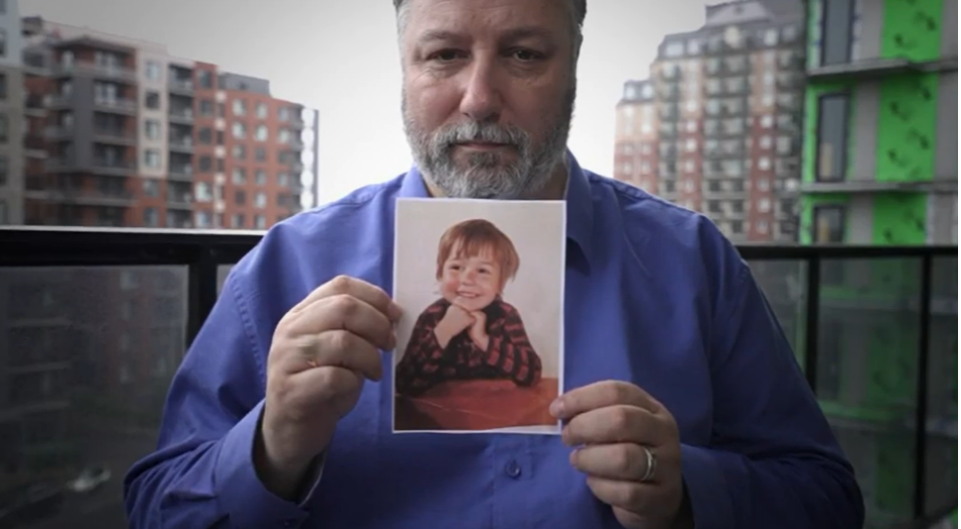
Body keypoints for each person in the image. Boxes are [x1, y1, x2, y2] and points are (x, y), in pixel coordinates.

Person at [123, 0, 865, 528]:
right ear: (404, 67)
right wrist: (271, 445)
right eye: (444, 54)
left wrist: (684, 494)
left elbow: (827, 500)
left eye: (522, 54)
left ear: (572, 63)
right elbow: (156, 507)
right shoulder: (289, 264)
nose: (478, 97)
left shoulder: (692, 262)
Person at [395, 218, 542, 396]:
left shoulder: (506, 316)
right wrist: (444, 331)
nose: (467, 279)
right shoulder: (432, 317)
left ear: (500, 283)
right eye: (456, 267)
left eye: (482, 271)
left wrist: (483, 340)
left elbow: (532, 375)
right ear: (440, 273)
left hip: (497, 409)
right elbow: (404, 383)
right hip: (441, 412)